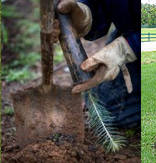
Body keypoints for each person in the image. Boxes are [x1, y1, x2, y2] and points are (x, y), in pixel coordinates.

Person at [57, 0, 141, 128]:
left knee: (119, 113)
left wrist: (126, 48)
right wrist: (86, 13)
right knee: (103, 104)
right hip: (129, 30)